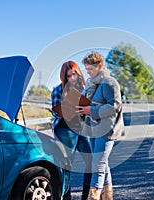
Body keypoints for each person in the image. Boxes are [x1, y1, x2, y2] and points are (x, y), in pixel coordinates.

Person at [77, 52, 124, 200]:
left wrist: (92, 110)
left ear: (100, 66)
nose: (88, 72)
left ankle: (94, 195)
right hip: (93, 129)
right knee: (103, 163)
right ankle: (107, 196)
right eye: (86, 69)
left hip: (107, 129)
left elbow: (115, 106)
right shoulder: (91, 85)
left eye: (90, 69)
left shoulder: (109, 82)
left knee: (98, 162)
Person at [51, 61, 93, 200]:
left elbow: (93, 108)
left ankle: (85, 196)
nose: (72, 78)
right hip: (65, 129)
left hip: (82, 128)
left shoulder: (85, 88)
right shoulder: (58, 89)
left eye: (74, 74)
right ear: (64, 77)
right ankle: (66, 196)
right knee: (67, 165)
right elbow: (56, 112)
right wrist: (64, 109)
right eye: (69, 76)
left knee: (92, 162)